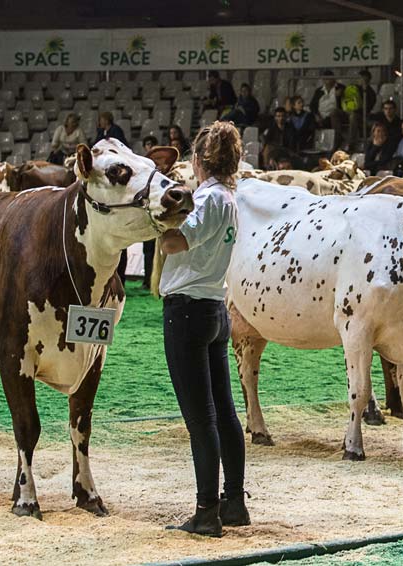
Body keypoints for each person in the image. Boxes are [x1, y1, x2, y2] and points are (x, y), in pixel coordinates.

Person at [159, 121, 249, 537]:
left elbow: (177, 242)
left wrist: (158, 223)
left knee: (201, 420)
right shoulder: (230, 197)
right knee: (225, 412)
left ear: (197, 161)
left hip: (187, 309)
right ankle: (233, 502)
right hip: (214, 306)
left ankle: (206, 512)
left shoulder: (208, 199)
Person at [342, 69, 377, 150]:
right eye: (360, 78)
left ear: (368, 80)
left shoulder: (371, 93)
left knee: (353, 116)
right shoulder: (352, 89)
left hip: (361, 115)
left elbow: (367, 108)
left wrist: (364, 91)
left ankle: (351, 142)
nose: (361, 81)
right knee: (334, 112)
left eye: (363, 79)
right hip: (347, 111)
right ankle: (337, 136)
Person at [310, 70, 346, 149]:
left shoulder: (341, 88)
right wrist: (317, 115)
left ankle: (337, 141)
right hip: (321, 115)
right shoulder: (319, 91)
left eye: (329, 79)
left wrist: (339, 96)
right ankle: (312, 145)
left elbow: (345, 103)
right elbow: (312, 106)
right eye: (325, 79)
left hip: (336, 114)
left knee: (334, 114)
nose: (327, 81)